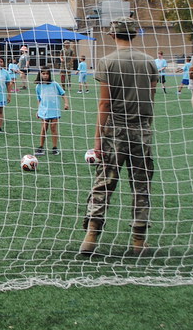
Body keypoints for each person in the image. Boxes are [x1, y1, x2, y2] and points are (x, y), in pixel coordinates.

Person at [80, 18, 158, 257]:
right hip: (141, 131)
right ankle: (138, 240)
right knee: (141, 185)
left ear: (112, 35)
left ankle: (91, 237)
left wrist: (98, 138)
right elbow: (151, 96)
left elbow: (105, 103)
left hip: (115, 131)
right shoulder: (149, 62)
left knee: (104, 183)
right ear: (135, 35)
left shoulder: (107, 61)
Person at [34, 68, 69, 155]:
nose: (45, 75)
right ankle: (41, 147)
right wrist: (38, 110)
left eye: (47, 74)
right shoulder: (38, 86)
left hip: (54, 110)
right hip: (44, 110)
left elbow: (63, 94)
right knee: (44, 128)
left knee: (53, 128)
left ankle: (54, 147)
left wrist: (66, 103)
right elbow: (39, 99)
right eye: (43, 73)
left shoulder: (54, 84)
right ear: (40, 74)